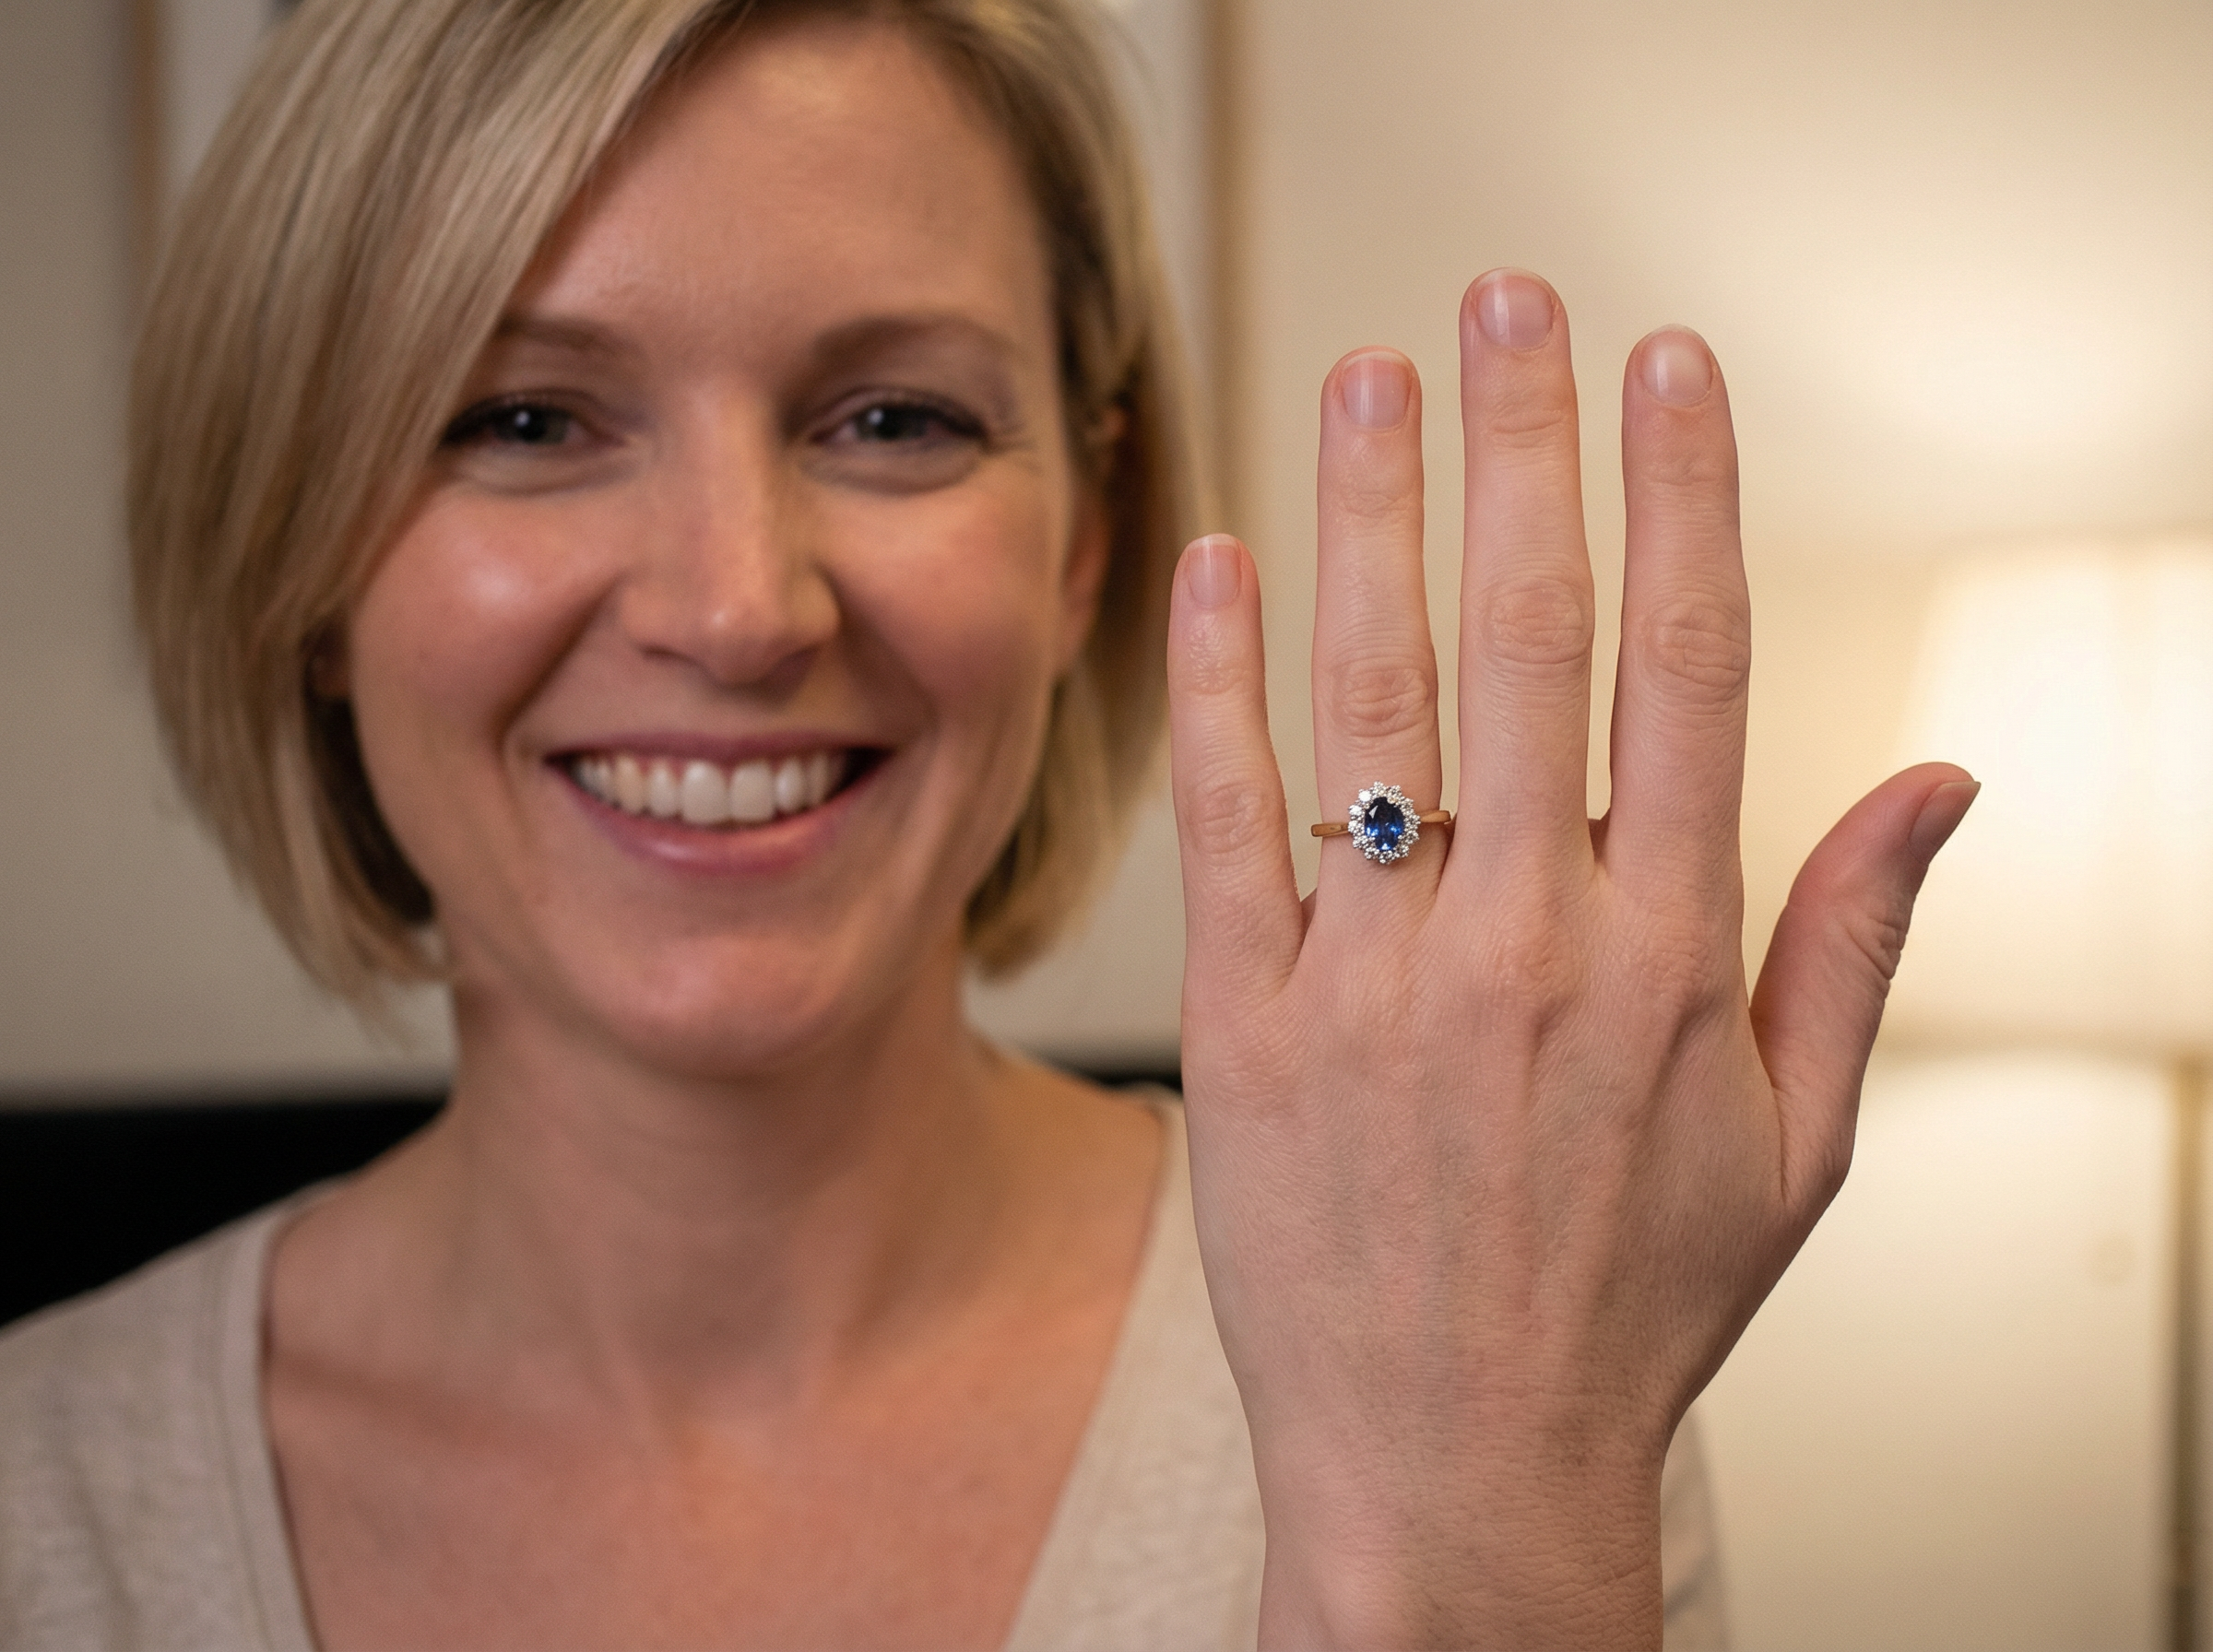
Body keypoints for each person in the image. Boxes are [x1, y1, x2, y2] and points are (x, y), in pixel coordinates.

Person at [0, 0, 1976, 1646]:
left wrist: (1467, 1520)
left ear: (1085, 537)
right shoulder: (46, 1498)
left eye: (893, 420)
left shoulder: (1457, 1347)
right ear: (304, 550)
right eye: (525, 420)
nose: (737, 602)